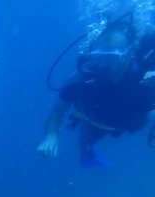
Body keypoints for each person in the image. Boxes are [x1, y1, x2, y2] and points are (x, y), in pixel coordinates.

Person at [38, 13, 155, 166]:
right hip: (97, 120)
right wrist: (51, 136)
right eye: (99, 57)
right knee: (86, 140)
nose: (104, 64)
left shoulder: (145, 71)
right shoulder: (81, 77)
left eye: (112, 58)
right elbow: (57, 111)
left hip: (135, 119)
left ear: (128, 54)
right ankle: (90, 157)